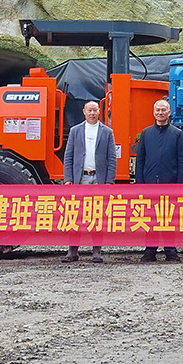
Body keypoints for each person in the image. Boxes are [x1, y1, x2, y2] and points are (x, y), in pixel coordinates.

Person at [62, 100, 117, 263]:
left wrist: (109, 181)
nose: (92, 113)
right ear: (84, 112)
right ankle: (72, 251)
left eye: (95, 110)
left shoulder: (107, 132)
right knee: (76, 214)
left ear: (99, 111)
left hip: (98, 179)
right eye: (89, 110)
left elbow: (112, 159)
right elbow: (68, 156)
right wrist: (68, 179)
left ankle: (97, 251)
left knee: (97, 215)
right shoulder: (75, 131)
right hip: (80, 178)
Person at [136, 99, 183, 262]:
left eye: (163, 110)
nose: (160, 113)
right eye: (158, 110)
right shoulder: (146, 133)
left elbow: (182, 161)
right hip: (149, 183)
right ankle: (150, 250)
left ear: (169, 112)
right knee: (150, 218)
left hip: (170, 182)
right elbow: (140, 160)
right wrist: (139, 184)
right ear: (153, 112)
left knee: (169, 217)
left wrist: (180, 185)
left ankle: (170, 250)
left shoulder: (177, 134)